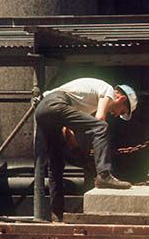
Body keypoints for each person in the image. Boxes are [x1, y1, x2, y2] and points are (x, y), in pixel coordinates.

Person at [35, 78, 137, 222]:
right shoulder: (107, 89)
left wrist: (82, 157)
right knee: (101, 127)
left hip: (43, 110)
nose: (117, 114)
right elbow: (100, 119)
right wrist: (98, 159)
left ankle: (57, 214)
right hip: (56, 104)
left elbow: (67, 133)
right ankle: (105, 175)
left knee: (55, 164)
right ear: (120, 98)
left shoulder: (84, 101)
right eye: (122, 111)